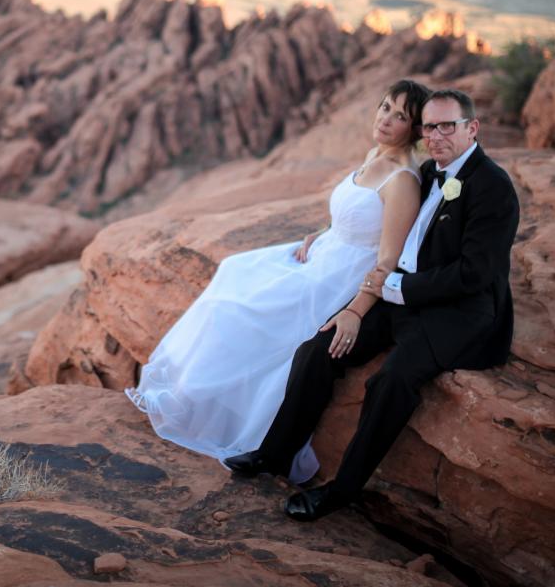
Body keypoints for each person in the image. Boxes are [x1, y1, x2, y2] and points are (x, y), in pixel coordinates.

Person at [222, 88, 519, 521]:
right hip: (404, 294)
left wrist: (400, 288)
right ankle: (275, 454)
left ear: (472, 128)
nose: (436, 135)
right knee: (319, 348)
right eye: (429, 127)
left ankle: (342, 491)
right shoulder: (430, 171)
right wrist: (328, 235)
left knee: (391, 382)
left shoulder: (492, 186)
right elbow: (374, 213)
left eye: (447, 126)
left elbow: (476, 274)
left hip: (458, 312)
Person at [126, 80, 430, 481]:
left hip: (340, 277)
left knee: (238, 310)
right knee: (234, 270)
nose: (386, 119)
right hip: (326, 252)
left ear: (414, 129)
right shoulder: (376, 153)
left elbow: (388, 256)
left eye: (400, 116)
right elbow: (359, 214)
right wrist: (324, 231)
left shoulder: (403, 179)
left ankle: (218, 409)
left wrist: (356, 310)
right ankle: (195, 394)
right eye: (386, 107)